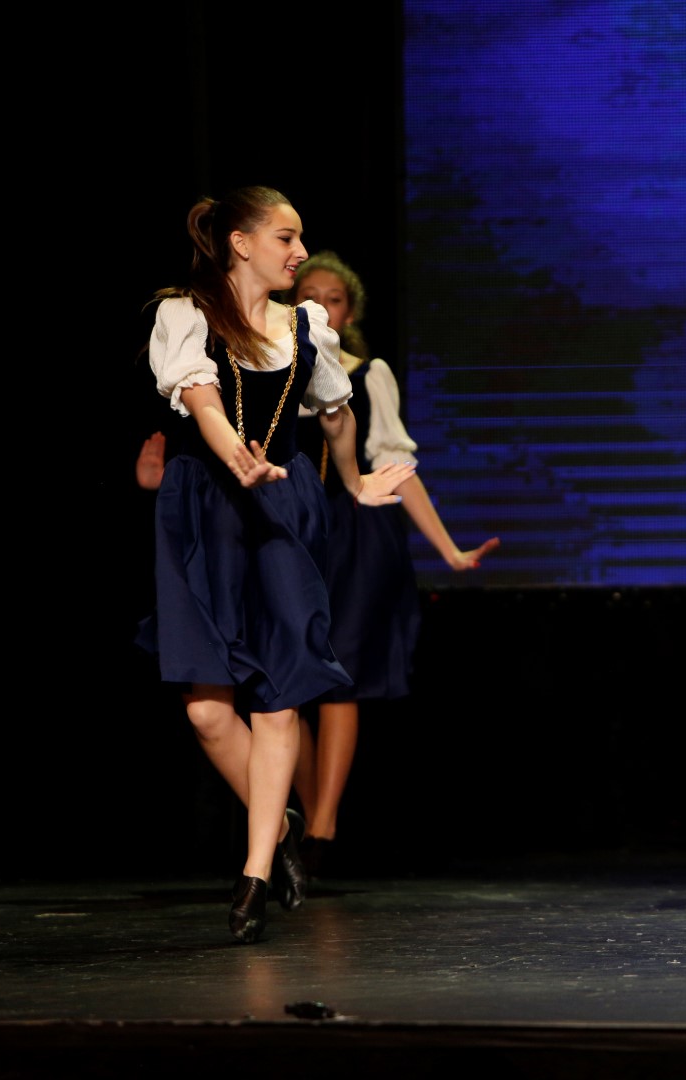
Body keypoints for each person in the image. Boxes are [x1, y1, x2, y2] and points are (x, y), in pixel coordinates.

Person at [138, 186, 415, 942]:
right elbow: (200, 399)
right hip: (206, 505)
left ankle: (256, 872)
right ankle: (282, 823)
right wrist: (237, 457)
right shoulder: (185, 313)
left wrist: (354, 483)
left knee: (279, 694)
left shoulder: (303, 326)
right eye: (286, 238)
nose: (299, 252)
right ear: (241, 243)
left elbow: (335, 412)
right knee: (206, 710)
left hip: (283, 503)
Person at [287, 251, 500, 876]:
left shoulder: (368, 374)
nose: (319, 304)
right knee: (286, 682)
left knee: (340, 677)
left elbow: (397, 468)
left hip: (356, 533)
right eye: (307, 293)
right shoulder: (269, 372)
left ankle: (323, 830)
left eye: (332, 298)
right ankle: (303, 818)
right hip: (293, 529)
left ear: (349, 314)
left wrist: (448, 549)